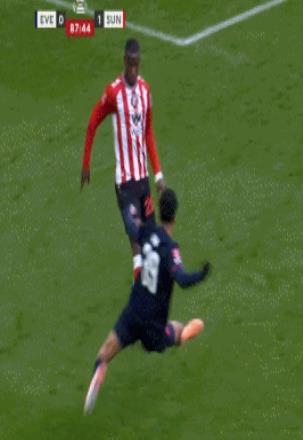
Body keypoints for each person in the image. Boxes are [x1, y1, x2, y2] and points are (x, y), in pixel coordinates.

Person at [84, 188, 210, 415]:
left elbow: (132, 224)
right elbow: (182, 279)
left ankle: (101, 368)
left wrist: (127, 204)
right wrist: (201, 274)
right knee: (176, 331)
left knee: (103, 355)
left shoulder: (147, 232)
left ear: (159, 212)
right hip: (153, 327)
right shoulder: (170, 249)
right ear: (175, 216)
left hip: (132, 313)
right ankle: (184, 334)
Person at [81, 37, 166, 279]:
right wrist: (86, 162)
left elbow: (148, 133)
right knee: (135, 233)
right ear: (124, 61)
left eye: (136, 64)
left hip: (143, 180)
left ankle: (146, 285)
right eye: (130, 64)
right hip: (125, 184)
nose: (133, 70)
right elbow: (93, 121)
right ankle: (140, 281)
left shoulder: (145, 91)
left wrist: (158, 174)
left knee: (150, 239)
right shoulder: (113, 92)